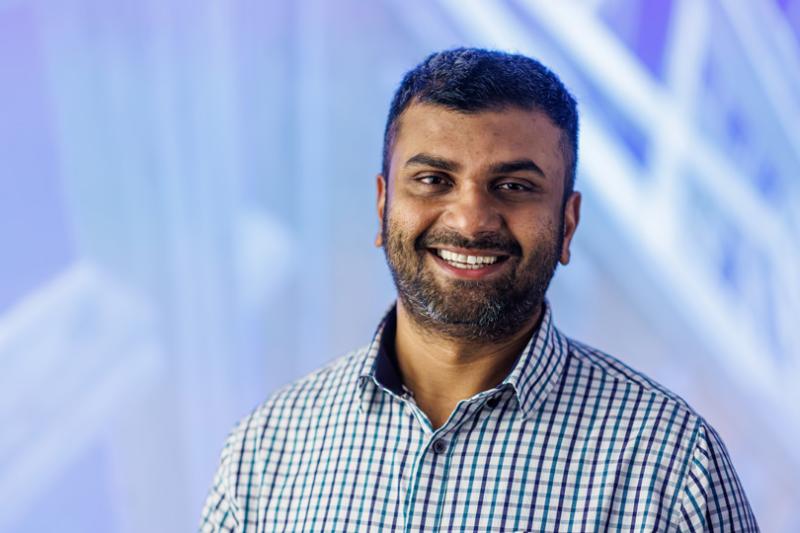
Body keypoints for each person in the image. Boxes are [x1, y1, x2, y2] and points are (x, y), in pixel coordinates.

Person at [200, 48, 758, 532]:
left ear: (568, 223)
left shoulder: (675, 467)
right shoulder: (266, 448)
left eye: (514, 186)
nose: (470, 220)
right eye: (433, 180)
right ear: (382, 204)